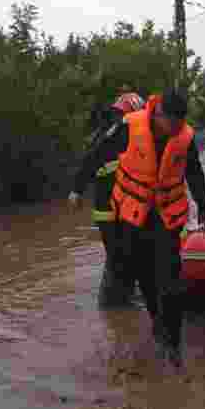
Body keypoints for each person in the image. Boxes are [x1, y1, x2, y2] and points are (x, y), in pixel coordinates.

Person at [108, 89, 205, 367]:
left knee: (172, 282)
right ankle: (157, 321)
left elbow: (194, 171)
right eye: (172, 123)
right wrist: (77, 188)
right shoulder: (130, 126)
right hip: (135, 215)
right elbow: (98, 154)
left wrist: (202, 202)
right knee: (144, 276)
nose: (176, 128)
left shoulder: (184, 137)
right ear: (159, 114)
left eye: (181, 123)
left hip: (167, 217)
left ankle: (174, 344)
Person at [69, 91, 146, 307]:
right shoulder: (118, 131)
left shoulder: (113, 131)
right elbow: (92, 158)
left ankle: (120, 303)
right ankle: (116, 304)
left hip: (116, 206)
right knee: (119, 256)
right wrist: (77, 189)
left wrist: (77, 190)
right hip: (112, 207)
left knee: (120, 255)